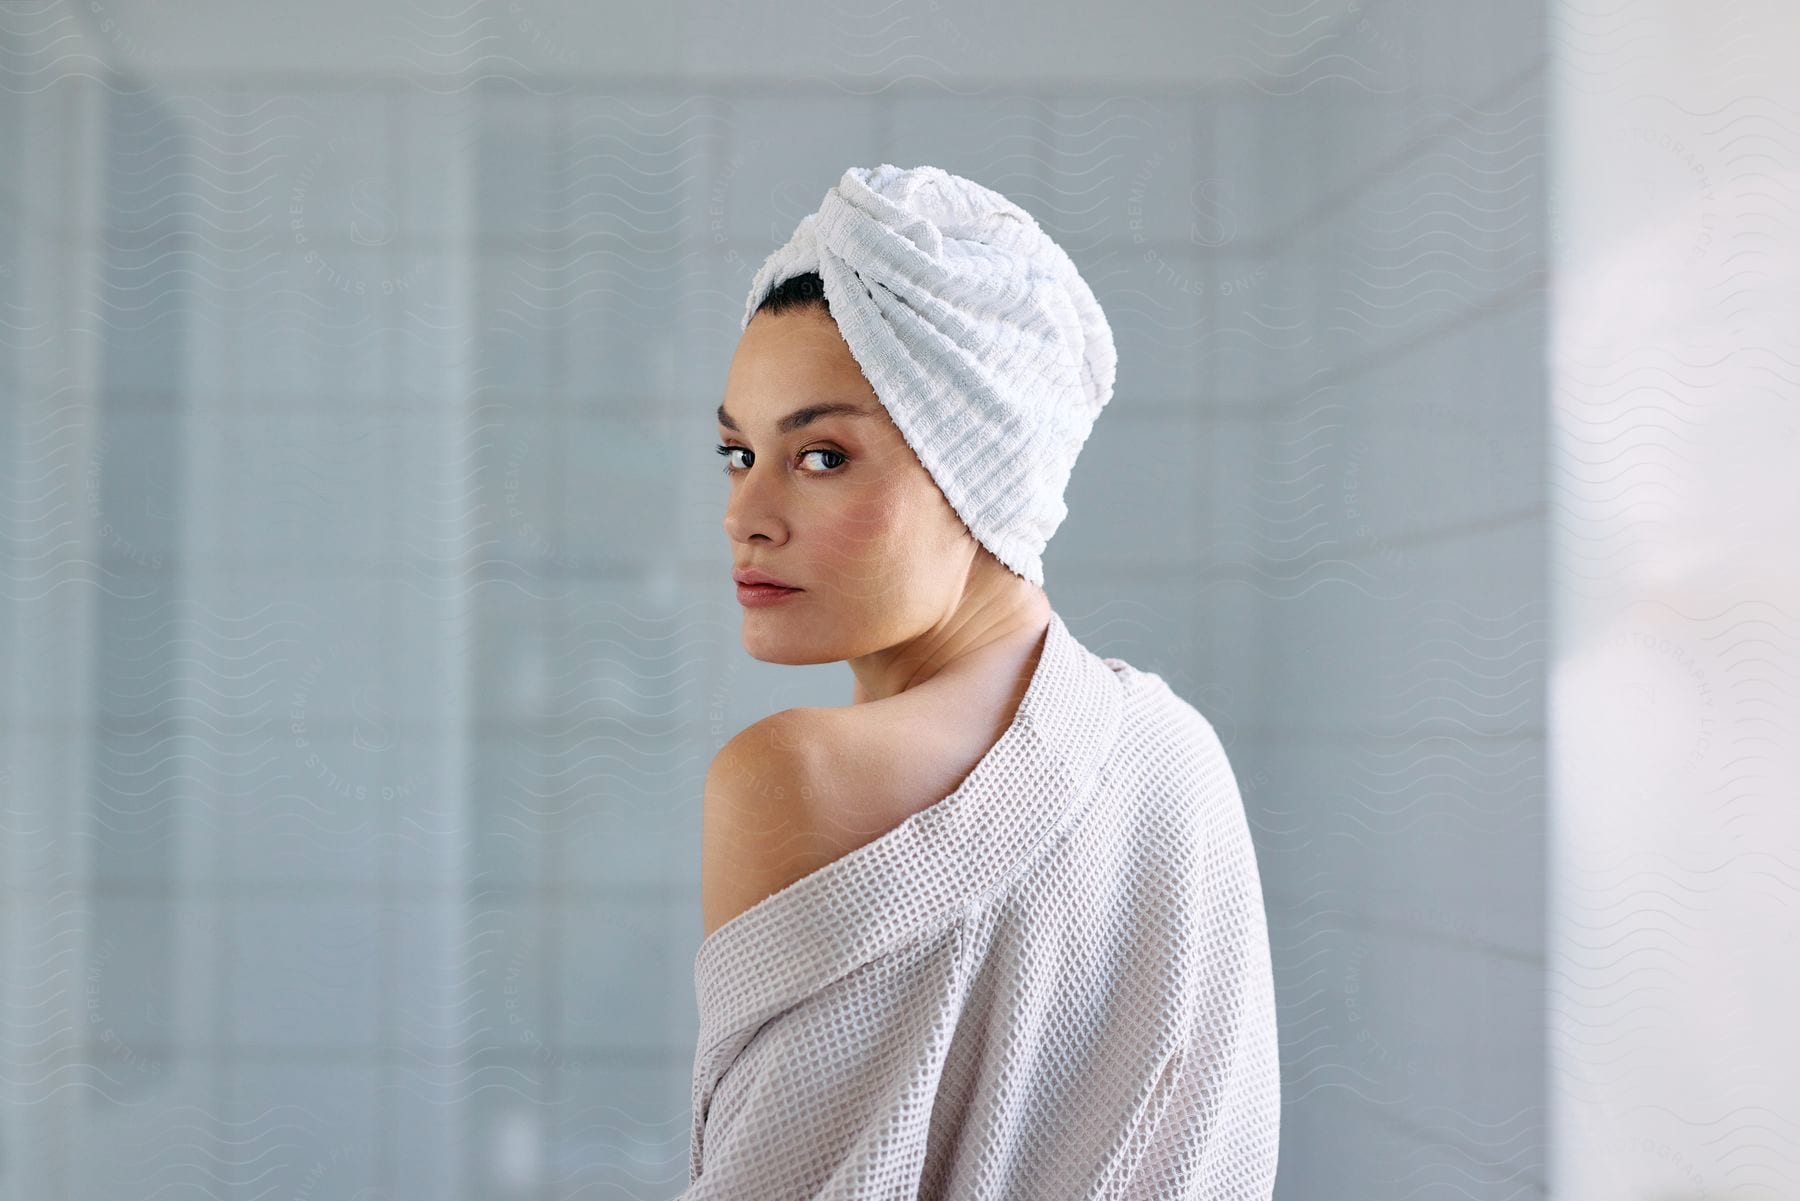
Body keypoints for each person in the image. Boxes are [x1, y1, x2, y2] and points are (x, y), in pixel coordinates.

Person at [687, 164, 1280, 1200]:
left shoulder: (793, 771)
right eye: (739, 452)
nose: (747, 514)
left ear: (981, 466)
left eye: (822, 456)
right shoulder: (1175, 748)